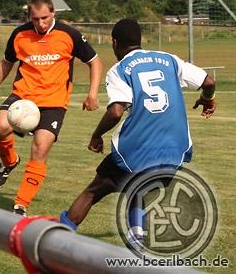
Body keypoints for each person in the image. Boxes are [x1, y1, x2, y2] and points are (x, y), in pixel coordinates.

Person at [59, 18, 216, 241]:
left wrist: (96, 135)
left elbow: (115, 111)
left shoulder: (120, 70)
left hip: (138, 151)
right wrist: (207, 100)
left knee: (95, 190)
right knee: (138, 184)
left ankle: (60, 235)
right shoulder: (169, 59)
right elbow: (208, 82)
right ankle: (137, 240)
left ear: (114, 43)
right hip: (176, 153)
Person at [0, 0, 102, 216]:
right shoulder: (19, 34)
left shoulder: (68, 34)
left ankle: (20, 205)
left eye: (44, 18)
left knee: (40, 147)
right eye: (35, 19)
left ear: (53, 13)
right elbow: (6, 63)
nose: (40, 23)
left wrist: (92, 94)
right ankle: (9, 162)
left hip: (53, 102)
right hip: (23, 96)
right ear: (29, 17)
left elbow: (94, 61)